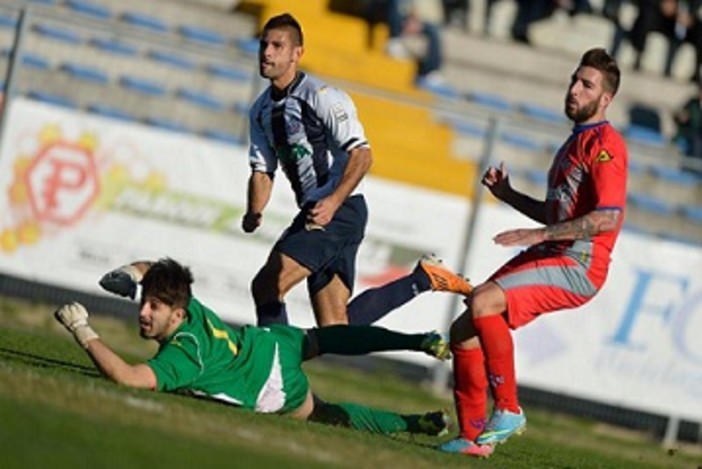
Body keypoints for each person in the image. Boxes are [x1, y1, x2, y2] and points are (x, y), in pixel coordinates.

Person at [439, 48, 627, 457]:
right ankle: (472, 439)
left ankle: (508, 409)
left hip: (580, 263)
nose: (574, 89)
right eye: (574, 80)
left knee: (484, 301)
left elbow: (608, 218)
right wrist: (508, 195)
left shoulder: (605, 145)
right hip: (556, 250)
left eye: (586, 85)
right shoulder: (572, 143)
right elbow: (557, 211)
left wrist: (541, 234)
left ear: (606, 99)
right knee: (463, 330)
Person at [53, 257, 454, 437]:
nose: (143, 312)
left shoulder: (183, 355)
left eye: (153, 306)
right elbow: (153, 269)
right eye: (144, 302)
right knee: (331, 332)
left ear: (176, 314)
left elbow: (127, 378)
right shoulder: (187, 304)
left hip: (270, 383)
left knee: (326, 414)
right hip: (270, 342)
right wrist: (129, 273)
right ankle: (418, 342)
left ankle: (414, 421)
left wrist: (83, 329)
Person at [243, 13, 373, 328]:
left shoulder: (322, 98)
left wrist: (333, 201)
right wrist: (253, 212)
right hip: (320, 211)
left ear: (297, 53)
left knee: (267, 286)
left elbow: (362, 154)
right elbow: (262, 170)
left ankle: (275, 371)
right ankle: (419, 281)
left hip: (338, 209)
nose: (267, 53)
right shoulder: (261, 110)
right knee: (335, 330)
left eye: (277, 45)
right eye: (264, 45)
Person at [673, 79, 702, 172]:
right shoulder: (692, 103)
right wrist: (681, 117)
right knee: (697, 142)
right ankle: (692, 170)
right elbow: (677, 116)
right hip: (688, 133)